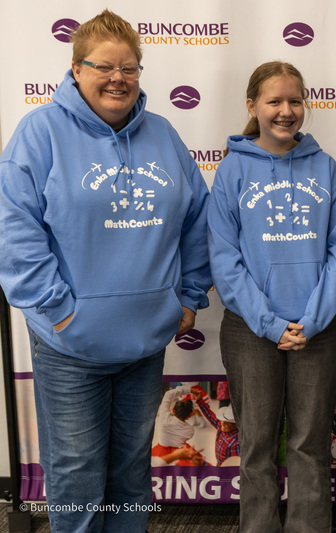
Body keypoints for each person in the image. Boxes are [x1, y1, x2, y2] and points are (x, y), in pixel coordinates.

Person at [0, 10, 211, 532]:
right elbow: (15, 230)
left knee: (132, 473)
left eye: (130, 68)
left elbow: (198, 222)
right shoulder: (40, 132)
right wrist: (59, 310)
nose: (118, 78)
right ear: (75, 69)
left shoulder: (163, 134)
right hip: (70, 345)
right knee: (75, 474)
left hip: (146, 339)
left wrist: (186, 299)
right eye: (104, 66)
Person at [207, 60, 336, 533]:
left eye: (295, 101)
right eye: (274, 101)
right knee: (256, 446)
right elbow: (224, 260)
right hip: (252, 330)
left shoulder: (325, 167)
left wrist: (311, 321)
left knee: (310, 447)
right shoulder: (231, 171)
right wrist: (271, 325)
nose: (286, 111)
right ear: (252, 106)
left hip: (320, 328)